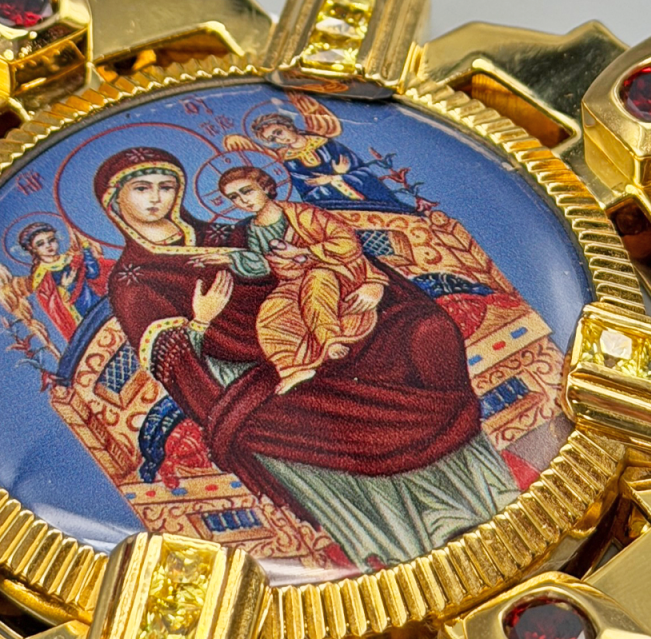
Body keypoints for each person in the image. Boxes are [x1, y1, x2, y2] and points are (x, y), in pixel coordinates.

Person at [94, 145, 519, 571]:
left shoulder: (227, 235)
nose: (157, 198)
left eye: (166, 186)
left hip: (318, 324)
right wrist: (202, 322)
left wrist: (371, 282)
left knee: (421, 331)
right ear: (114, 202)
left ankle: (479, 500)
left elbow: (325, 254)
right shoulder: (135, 279)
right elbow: (171, 362)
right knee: (323, 419)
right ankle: (410, 540)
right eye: (142, 189)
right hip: (245, 371)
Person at [192, 166, 387, 394]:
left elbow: (347, 242)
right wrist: (230, 258)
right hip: (292, 282)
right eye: (234, 197)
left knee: (317, 282)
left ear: (265, 187)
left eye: (247, 191)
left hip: (335, 272)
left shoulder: (304, 215)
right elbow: (263, 263)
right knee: (271, 312)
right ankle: (291, 368)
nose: (243, 200)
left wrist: (303, 252)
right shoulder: (252, 229)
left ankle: (330, 339)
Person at [224, 91, 409, 210]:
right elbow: (306, 189)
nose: (280, 139)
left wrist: (335, 178)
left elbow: (361, 171)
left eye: (278, 132)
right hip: (333, 205)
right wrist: (327, 181)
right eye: (273, 139)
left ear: (287, 125)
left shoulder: (326, 143)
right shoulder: (288, 160)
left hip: (369, 196)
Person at [16, 221, 112, 342]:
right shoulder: (42, 278)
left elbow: (93, 274)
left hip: (96, 299)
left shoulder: (71, 259)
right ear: (33, 249)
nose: (48, 246)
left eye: (51, 240)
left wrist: (87, 251)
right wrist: (67, 287)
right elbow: (55, 307)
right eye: (40, 244)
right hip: (79, 314)